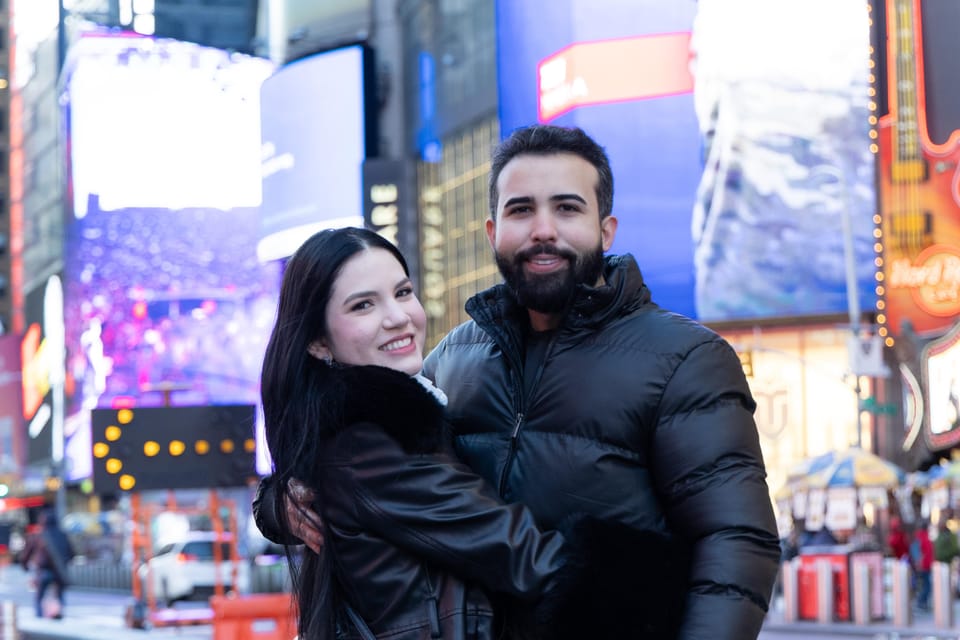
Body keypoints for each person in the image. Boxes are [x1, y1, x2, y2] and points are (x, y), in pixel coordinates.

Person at [256, 125, 781, 639]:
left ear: (606, 229)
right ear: (493, 232)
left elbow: (736, 542)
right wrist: (284, 498)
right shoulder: (454, 357)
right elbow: (368, 469)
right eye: (521, 209)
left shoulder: (685, 358)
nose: (543, 229)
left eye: (568, 207)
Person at [258, 226, 687, 640]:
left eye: (403, 292)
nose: (397, 317)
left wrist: (276, 498)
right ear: (318, 341)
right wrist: (664, 578)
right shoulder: (365, 440)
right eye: (363, 306)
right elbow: (519, 553)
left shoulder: (401, 409)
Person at [19, 510, 75, 619]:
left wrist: (25, 566)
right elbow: (72, 553)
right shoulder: (62, 535)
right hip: (59, 571)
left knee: (40, 596)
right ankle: (58, 614)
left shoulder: (38, 536)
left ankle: (40, 617)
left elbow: (26, 554)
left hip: (43, 570)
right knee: (59, 595)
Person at [910, 520, 934, 611]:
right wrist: (919, 562)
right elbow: (917, 552)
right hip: (924, 566)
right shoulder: (922, 538)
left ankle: (923, 602)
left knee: (926, 584)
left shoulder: (921, 537)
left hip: (925, 565)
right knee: (927, 585)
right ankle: (920, 602)